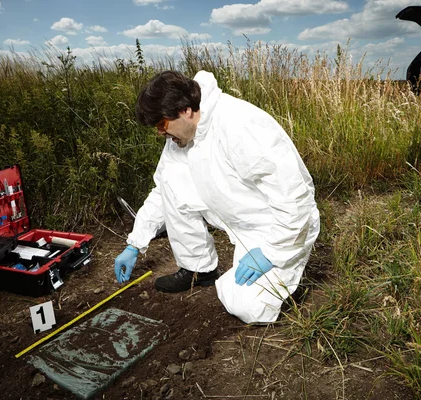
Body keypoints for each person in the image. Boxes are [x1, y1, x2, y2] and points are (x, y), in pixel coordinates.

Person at [113, 70, 320, 324]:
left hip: (279, 227)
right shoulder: (182, 135)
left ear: (186, 110)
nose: (160, 134)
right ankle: (198, 269)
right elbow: (163, 190)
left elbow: (295, 199)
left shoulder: (239, 126)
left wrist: (272, 251)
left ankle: (293, 265)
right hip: (243, 224)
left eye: (161, 125)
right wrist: (135, 243)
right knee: (173, 180)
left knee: (248, 307)